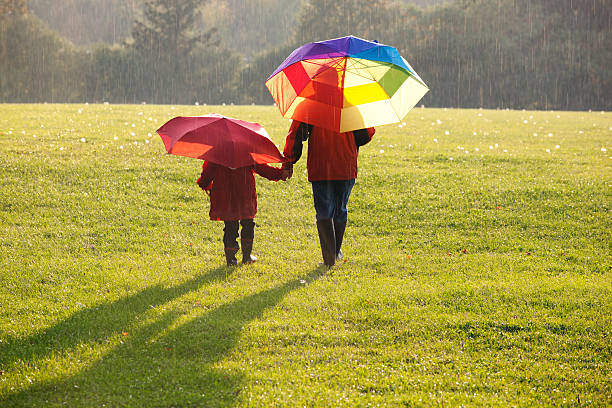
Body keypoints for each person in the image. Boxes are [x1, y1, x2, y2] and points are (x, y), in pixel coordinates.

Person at [281, 121, 375, 267]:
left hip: (321, 165)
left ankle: (329, 259)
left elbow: (296, 134)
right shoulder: (351, 103)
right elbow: (366, 136)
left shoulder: (310, 104)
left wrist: (289, 161)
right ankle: (335, 253)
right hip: (346, 164)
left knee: (324, 211)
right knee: (340, 209)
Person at [197, 161, 285, 266]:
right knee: (248, 223)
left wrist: (205, 184)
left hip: (226, 194)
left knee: (230, 226)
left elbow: (207, 173)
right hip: (245, 192)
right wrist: (280, 174)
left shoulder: (217, 153)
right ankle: (246, 257)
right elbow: (262, 168)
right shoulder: (246, 150)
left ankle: (231, 260)